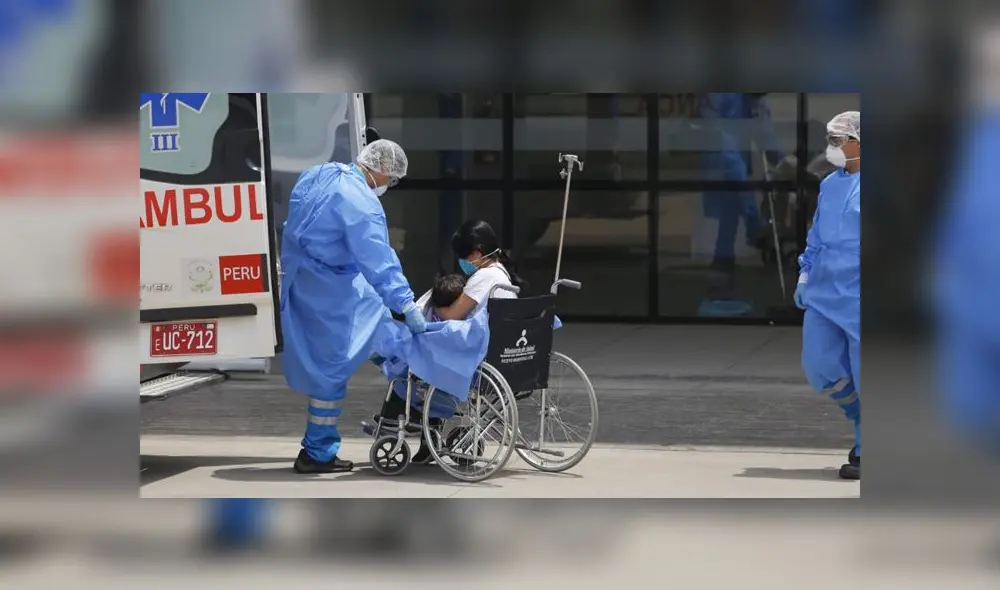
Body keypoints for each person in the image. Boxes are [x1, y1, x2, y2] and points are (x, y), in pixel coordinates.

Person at [280, 139, 427, 474]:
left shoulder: (319, 174)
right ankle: (317, 454)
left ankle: (403, 389)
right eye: (392, 179)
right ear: (382, 169)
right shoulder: (362, 202)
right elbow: (378, 259)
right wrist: (406, 303)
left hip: (308, 283)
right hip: (334, 292)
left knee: (361, 344)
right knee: (339, 363)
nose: (390, 185)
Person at [793, 111, 861, 480]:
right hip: (823, 289)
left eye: (838, 140)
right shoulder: (830, 184)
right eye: (830, 140)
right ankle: (859, 417)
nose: (831, 148)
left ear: (860, 142)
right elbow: (817, 235)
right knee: (819, 363)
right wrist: (805, 274)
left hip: (862, 291)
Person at [435, 220, 526, 320]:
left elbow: (451, 315)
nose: (461, 261)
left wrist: (432, 306)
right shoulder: (501, 272)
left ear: (477, 251)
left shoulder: (484, 276)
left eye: (463, 255)